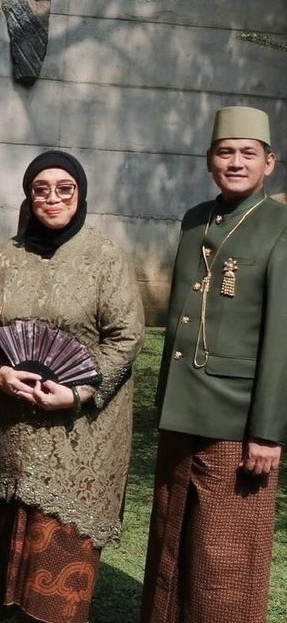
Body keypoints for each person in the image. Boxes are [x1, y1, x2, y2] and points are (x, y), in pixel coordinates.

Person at [0, 150, 144, 623]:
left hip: (81, 431)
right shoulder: (5, 256)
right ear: (29, 196)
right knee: (19, 525)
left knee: (63, 535)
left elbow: (127, 335)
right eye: (41, 189)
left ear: (81, 193)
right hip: (16, 422)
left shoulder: (104, 257)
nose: (53, 198)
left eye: (65, 189)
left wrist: (78, 393)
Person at [141, 106, 285, 623]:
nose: (236, 162)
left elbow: (282, 335)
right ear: (209, 160)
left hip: (236, 419)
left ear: (269, 163)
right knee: (171, 539)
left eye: (249, 153)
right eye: (226, 152)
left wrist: (267, 432)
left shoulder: (280, 225)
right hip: (182, 409)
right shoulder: (194, 218)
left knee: (224, 555)